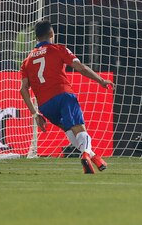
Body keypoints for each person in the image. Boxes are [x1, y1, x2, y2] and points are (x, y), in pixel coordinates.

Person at [19, 20, 113, 173]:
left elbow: (23, 89)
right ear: (51, 34)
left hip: (45, 105)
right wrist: (101, 80)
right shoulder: (59, 49)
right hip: (63, 95)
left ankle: (95, 158)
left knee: (69, 130)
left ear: (36, 38)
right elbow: (80, 68)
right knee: (80, 129)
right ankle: (85, 154)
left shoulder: (26, 61)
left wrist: (35, 114)